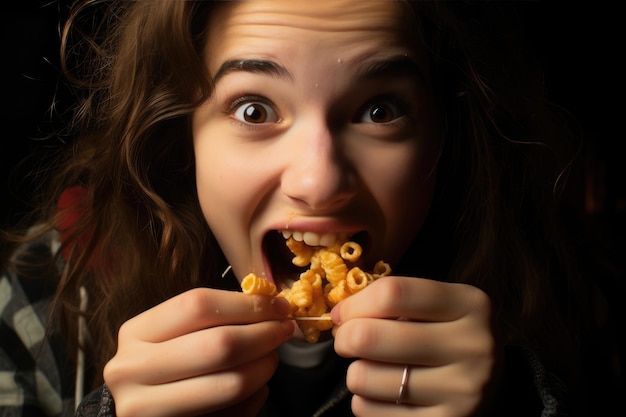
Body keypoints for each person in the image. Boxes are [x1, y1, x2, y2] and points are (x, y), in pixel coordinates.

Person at [1, 1, 622, 416]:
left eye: (380, 110)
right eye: (254, 109)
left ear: (444, 133)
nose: (319, 181)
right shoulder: (39, 305)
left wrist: (521, 404)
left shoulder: (578, 301)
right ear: (179, 136)